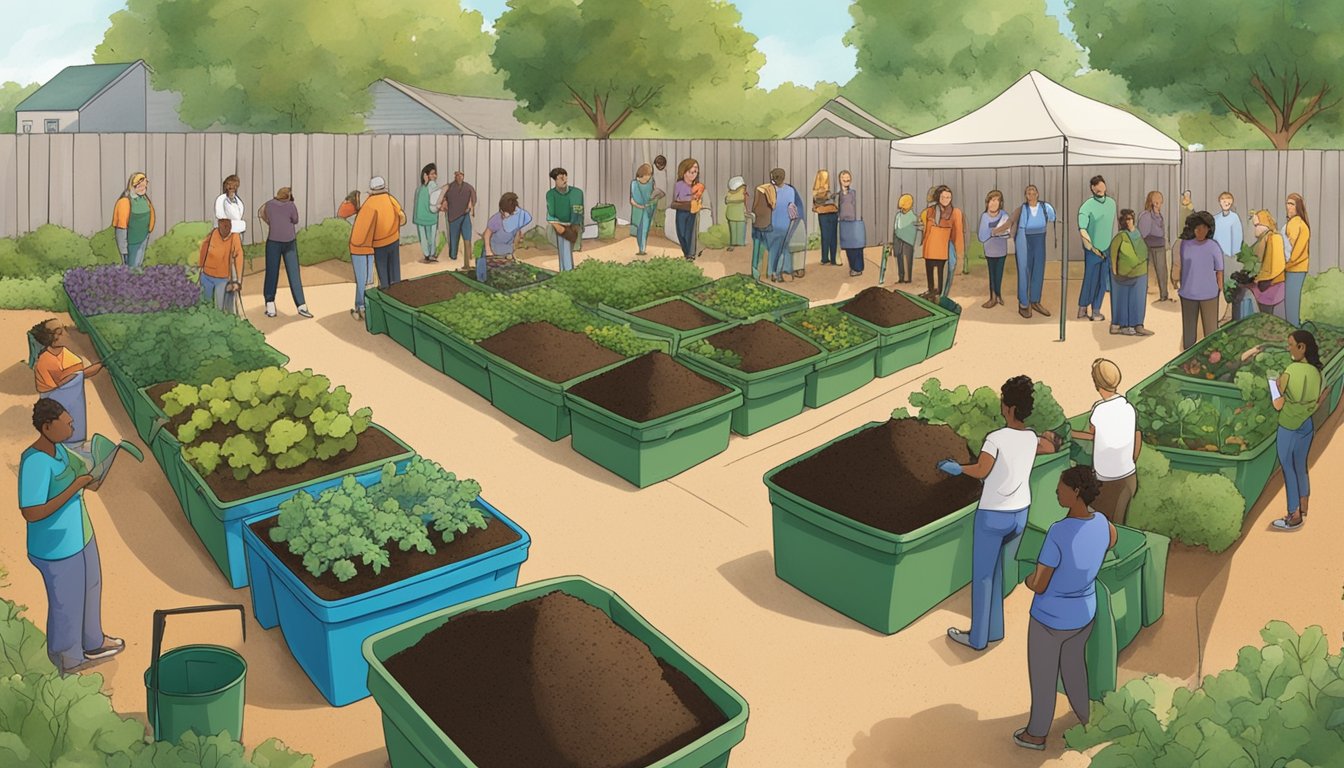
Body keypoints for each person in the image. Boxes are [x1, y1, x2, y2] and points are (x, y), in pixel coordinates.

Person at [938, 376, 1062, 652]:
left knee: (983, 575)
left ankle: (977, 638)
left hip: (993, 515)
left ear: (1008, 408)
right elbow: (1051, 445)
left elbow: (982, 471)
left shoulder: (995, 438)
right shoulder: (1031, 438)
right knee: (996, 572)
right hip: (1019, 514)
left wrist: (957, 468)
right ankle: (995, 630)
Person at [1014, 465, 1116, 751]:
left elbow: (1040, 583)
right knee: (1074, 670)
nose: (1056, 491)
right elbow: (1112, 540)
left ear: (1075, 492)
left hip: (1050, 618)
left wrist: (1027, 580)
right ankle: (1088, 721)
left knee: (1044, 676)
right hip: (1084, 613)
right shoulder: (1103, 523)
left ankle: (1036, 734)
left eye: (1061, 488)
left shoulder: (1058, 532)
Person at [20, 398, 124, 674]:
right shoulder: (35, 462)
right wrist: (75, 486)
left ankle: (93, 641)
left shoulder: (62, 451)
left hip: (80, 534)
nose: (72, 427)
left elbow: (81, 478)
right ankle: (67, 657)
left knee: (91, 588)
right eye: (66, 424)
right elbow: (31, 511)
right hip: (55, 546)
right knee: (67, 601)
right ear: (47, 427)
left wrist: (96, 472)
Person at [1070, 359, 1140, 525]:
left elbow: (1092, 434)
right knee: (1119, 523)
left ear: (1096, 383)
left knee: (1100, 524)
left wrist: (1071, 433)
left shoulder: (1099, 409)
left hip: (1107, 481)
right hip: (1129, 476)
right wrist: (1131, 461)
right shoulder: (1128, 407)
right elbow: (1137, 436)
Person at [1269, 329, 1324, 531]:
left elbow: (1277, 405)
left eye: (1291, 344)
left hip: (1288, 424)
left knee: (1288, 467)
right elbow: (1317, 399)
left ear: (1302, 347)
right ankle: (1304, 505)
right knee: (1300, 466)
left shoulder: (1291, 371)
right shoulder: (1316, 371)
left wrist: (1274, 386)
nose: (1289, 348)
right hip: (1306, 424)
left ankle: (1293, 516)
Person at [31, 319, 103, 460]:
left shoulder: (66, 353)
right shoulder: (45, 361)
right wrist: (85, 373)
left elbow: (75, 373)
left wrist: (83, 373)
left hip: (73, 398)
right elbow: (62, 385)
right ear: (52, 339)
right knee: (62, 426)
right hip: (56, 401)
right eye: (60, 331)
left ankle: (76, 448)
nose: (66, 333)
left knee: (75, 423)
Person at [1173, 211, 1224, 350]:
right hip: (1188, 293)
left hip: (1209, 294)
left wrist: (1220, 289)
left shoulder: (1213, 246)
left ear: (1209, 229)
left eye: (1203, 227)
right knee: (1189, 332)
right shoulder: (1185, 244)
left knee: (1211, 331)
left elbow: (1219, 270)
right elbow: (1181, 265)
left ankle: (1212, 358)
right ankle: (1187, 358)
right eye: (1196, 227)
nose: (1199, 231)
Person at [258, 187, 310, 319]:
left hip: (273, 242)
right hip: (289, 242)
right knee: (294, 274)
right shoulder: (291, 205)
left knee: (271, 273)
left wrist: (270, 222)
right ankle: (301, 305)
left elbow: (261, 212)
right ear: (288, 196)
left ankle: (270, 305)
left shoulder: (269, 204)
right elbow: (295, 220)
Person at [350, 176, 406, 289]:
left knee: (382, 269)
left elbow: (362, 230)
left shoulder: (369, 204)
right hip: (394, 239)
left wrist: (356, 244)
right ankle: (397, 291)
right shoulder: (390, 199)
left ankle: (386, 291)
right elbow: (402, 217)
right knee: (394, 268)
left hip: (379, 244)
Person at [1009, 185, 1056, 318]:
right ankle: (1024, 303)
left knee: (1038, 270)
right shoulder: (1023, 209)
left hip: (1039, 240)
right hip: (1025, 239)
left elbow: (1052, 218)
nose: (1031, 194)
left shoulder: (1045, 207)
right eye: (1028, 192)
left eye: (1033, 191)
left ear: (1038, 193)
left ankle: (1035, 301)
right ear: (1025, 195)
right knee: (1024, 271)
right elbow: (1020, 227)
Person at [1076, 175, 1116, 322]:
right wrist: (1092, 248)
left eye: (1101, 184)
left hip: (1107, 248)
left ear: (1105, 185)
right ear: (1092, 188)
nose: (1099, 188)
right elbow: (1082, 229)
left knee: (1102, 281)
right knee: (1090, 279)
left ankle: (1096, 310)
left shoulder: (1111, 203)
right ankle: (1082, 307)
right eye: (1095, 186)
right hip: (1092, 250)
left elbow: (1113, 226)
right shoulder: (1087, 206)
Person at [1108, 209, 1153, 336]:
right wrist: (1115, 272)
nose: (1128, 222)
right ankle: (1119, 324)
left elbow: (1143, 252)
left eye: (1130, 219)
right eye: (1125, 219)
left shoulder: (1138, 235)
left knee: (1138, 299)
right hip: (1122, 275)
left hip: (1140, 273)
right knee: (1121, 299)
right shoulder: (1119, 237)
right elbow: (1113, 255)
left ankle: (1138, 325)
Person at [921, 186, 963, 301]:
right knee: (929, 268)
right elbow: (927, 229)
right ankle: (931, 291)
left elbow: (957, 232)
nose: (946, 199)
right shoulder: (930, 210)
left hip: (944, 245)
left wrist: (958, 250)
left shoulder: (955, 212)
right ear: (938, 197)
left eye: (948, 197)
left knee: (942, 271)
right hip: (931, 245)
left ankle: (940, 293)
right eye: (943, 197)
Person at [482, 192, 533, 283]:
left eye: (512, 213)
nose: (509, 215)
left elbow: (517, 233)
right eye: (507, 213)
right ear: (501, 210)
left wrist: (515, 248)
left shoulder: (516, 219)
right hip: (494, 251)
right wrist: (488, 250)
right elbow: (486, 234)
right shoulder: (496, 220)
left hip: (508, 252)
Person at [338, 191, 372, 320]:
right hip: (367, 246)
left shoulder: (362, 207)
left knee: (363, 279)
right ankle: (363, 307)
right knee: (366, 280)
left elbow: (341, 213)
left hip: (360, 247)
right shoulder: (370, 206)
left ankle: (361, 307)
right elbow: (342, 213)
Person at [197, 218, 244, 310]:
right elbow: (204, 249)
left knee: (220, 306)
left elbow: (239, 257)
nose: (226, 227)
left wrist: (238, 281)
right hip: (207, 275)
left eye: (228, 225)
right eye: (223, 225)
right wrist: (201, 267)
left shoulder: (234, 237)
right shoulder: (213, 234)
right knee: (206, 304)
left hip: (222, 278)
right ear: (219, 225)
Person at [111, 172, 155, 269]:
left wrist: (148, 231)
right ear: (133, 186)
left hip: (143, 237)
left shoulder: (144, 199)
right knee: (132, 268)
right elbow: (121, 227)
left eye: (144, 186)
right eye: (140, 186)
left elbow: (150, 214)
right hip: (131, 241)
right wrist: (123, 249)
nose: (143, 188)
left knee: (138, 264)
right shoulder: (124, 202)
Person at [1248, 209, 1286, 317]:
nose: (1255, 229)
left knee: (1269, 314)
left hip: (1272, 283)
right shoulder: (1262, 240)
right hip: (1263, 282)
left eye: (1257, 225)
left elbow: (1276, 265)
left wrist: (1261, 278)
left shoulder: (1274, 238)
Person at [1137, 191, 1174, 303]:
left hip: (1159, 246)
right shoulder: (1145, 215)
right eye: (1156, 201)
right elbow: (1145, 232)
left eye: (1160, 201)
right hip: (1147, 246)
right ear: (1151, 201)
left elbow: (1161, 232)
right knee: (1143, 270)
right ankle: (1141, 293)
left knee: (1162, 271)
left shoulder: (1159, 215)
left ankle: (1164, 295)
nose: (1159, 204)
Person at [766, 168, 801, 282]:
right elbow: (791, 205)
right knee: (785, 247)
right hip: (786, 223)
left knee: (774, 248)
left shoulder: (770, 190)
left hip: (773, 223)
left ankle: (773, 272)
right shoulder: (790, 190)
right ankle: (784, 270)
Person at [545, 167, 583, 271]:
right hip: (559, 225)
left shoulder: (576, 192)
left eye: (566, 177)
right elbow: (551, 213)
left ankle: (567, 271)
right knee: (563, 247)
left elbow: (578, 210)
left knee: (567, 248)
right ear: (555, 180)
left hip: (573, 225)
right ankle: (566, 271)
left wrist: (574, 226)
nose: (565, 180)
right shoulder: (551, 194)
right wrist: (557, 226)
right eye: (561, 178)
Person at [979, 190, 1011, 308]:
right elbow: (982, 236)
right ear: (988, 202)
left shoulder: (1004, 214)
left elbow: (1008, 232)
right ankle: (992, 297)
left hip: (1001, 251)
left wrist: (998, 231)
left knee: (999, 274)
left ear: (1001, 203)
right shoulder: (984, 217)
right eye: (992, 200)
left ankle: (998, 295)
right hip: (990, 251)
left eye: (997, 201)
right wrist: (994, 231)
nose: (994, 203)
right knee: (992, 274)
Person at [1283, 193, 1310, 326]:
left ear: (1298, 206)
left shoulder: (1300, 225)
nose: (1288, 207)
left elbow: (1297, 253)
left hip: (1296, 269)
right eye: (1287, 203)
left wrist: (1286, 266)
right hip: (1290, 268)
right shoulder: (1291, 223)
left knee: (1292, 301)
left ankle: (1294, 329)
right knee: (1289, 301)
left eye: (1292, 204)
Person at [440, 170, 476, 264]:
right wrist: (444, 201)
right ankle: (453, 257)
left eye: (461, 175)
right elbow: (442, 197)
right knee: (454, 238)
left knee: (467, 236)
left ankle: (469, 257)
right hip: (453, 216)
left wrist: (471, 204)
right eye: (457, 175)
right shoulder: (450, 186)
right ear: (455, 176)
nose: (459, 177)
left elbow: (473, 197)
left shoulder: (468, 187)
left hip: (465, 215)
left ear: (463, 176)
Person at [672, 158, 702, 261]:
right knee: (681, 233)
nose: (693, 175)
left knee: (690, 233)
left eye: (695, 172)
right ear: (684, 172)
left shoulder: (697, 186)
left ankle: (690, 254)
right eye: (691, 172)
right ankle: (686, 253)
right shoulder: (679, 185)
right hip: (681, 211)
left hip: (692, 211)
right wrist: (688, 198)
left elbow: (699, 198)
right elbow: (676, 199)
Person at [837, 170, 866, 276]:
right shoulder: (838, 195)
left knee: (857, 247)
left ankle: (858, 268)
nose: (845, 180)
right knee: (849, 247)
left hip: (856, 223)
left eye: (847, 177)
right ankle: (853, 268)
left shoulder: (854, 193)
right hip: (845, 224)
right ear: (840, 180)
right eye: (843, 177)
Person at [414, 163, 441, 263]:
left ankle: (430, 254)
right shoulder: (422, 188)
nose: (435, 176)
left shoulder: (433, 186)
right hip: (422, 216)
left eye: (435, 173)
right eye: (432, 174)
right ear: (426, 175)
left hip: (430, 215)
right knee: (426, 236)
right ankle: (428, 254)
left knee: (431, 236)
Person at [751, 178, 776, 281]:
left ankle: (756, 272)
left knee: (757, 249)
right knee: (768, 248)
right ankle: (769, 272)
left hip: (758, 223)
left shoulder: (759, 191)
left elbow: (755, 205)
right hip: (768, 223)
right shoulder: (772, 193)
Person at [812, 170, 839, 266]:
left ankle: (833, 259)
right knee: (826, 236)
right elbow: (818, 200)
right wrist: (828, 195)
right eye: (824, 177)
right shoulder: (816, 191)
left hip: (833, 212)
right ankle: (825, 258)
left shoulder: (829, 189)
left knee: (832, 236)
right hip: (824, 213)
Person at [630, 164, 656, 255]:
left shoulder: (651, 181)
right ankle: (641, 249)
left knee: (645, 228)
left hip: (649, 208)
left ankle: (642, 249)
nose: (648, 177)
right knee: (640, 229)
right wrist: (639, 206)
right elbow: (632, 199)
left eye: (650, 174)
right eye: (647, 175)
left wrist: (653, 199)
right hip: (639, 209)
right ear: (642, 174)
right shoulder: (634, 183)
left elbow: (654, 192)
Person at [892, 193, 918, 284]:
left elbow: (910, 230)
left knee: (907, 258)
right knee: (899, 258)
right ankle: (901, 277)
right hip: (898, 240)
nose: (903, 208)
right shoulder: (898, 215)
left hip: (907, 242)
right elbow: (896, 228)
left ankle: (907, 278)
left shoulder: (913, 217)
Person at [1212, 191, 1244, 264]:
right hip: (1217, 252)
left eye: (1228, 202)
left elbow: (1238, 237)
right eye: (1223, 201)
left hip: (1230, 254)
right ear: (1220, 202)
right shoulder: (1215, 218)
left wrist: (1235, 253)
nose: (1226, 204)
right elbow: (1213, 236)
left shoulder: (1234, 217)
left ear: (1231, 203)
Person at [724, 176, 748, 252]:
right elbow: (741, 199)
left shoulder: (729, 195)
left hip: (734, 215)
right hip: (739, 215)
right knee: (738, 229)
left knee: (735, 229)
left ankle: (735, 243)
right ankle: (738, 243)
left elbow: (727, 200)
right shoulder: (741, 194)